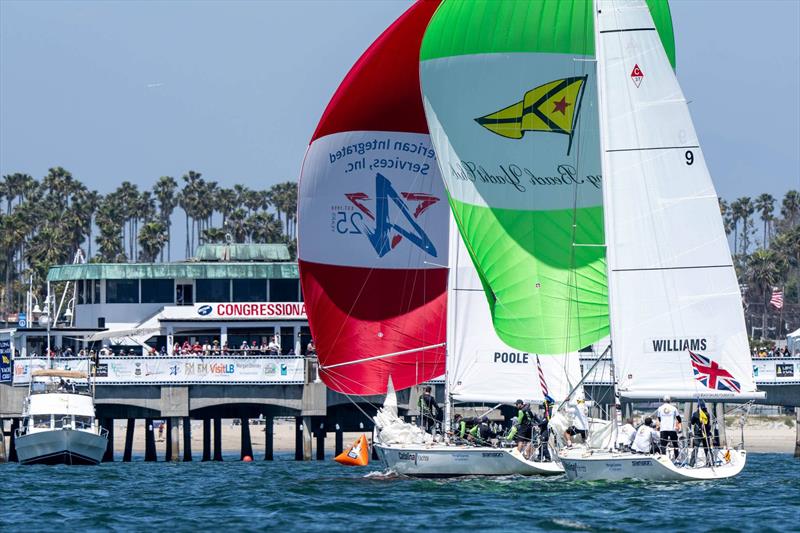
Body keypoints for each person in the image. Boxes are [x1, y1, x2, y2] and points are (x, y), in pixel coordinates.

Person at [690, 400, 713, 467]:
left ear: (698, 407)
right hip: (706, 434)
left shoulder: (695, 414)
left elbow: (692, 422)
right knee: (707, 448)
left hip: (698, 434)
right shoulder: (707, 414)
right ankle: (710, 463)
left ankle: (691, 464)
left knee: (695, 448)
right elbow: (708, 424)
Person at [657, 395, 680, 460]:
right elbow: (678, 417)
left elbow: (659, 419)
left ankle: (664, 459)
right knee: (675, 444)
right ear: (670, 400)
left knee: (663, 445)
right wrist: (678, 426)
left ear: (663, 400)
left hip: (663, 429)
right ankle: (677, 458)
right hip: (672, 429)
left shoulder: (660, 408)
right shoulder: (673, 408)